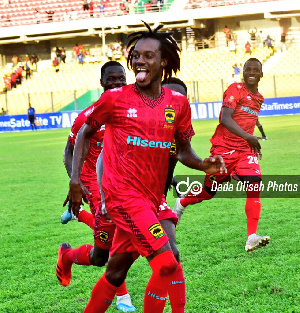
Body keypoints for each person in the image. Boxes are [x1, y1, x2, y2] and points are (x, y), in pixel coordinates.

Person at [65, 22, 225, 312]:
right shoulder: (115, 99)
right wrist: (75, 180)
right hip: (122, 195)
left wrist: (204, 164)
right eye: (136, 55)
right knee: (166, 261)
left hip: (152, 199)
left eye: (148, 55)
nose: (139, 60)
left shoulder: (178, 103)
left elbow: (184, 150)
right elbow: (85, 134)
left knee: (115, 270)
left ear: (163, 62)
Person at [57, 61, 136, 312]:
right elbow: (69, 151)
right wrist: (76, 182)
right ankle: (123, 298)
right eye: (111, 79)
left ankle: (68, 252)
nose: (116, 83)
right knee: (115, 239)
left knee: (108, 249)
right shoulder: (88, 116)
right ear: (102, 83)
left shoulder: (134, 110)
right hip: (96, 181)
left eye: (120, 78)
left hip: (125, 180)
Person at [173, 58, 271, 253]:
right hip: (223, 151)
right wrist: (250, 137)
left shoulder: (259, 97)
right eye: (247, 69)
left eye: (255, 70)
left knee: (254, 184)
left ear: (261, 74)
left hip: (245, 151)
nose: (251, 72)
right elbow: (225, 119)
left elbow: (249, 120)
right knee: (208, 193)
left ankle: (251, 237)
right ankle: (181, 202)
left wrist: (252, 141)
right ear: (243, 73)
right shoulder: (235, 89)